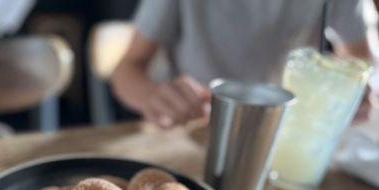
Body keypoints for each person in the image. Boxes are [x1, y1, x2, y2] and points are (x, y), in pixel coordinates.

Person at [111, 0, 379, 128]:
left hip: (285, 132)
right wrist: (155, 96)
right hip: (195, 128)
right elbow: (127, 69)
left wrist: (356, 90)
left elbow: (363, 59)